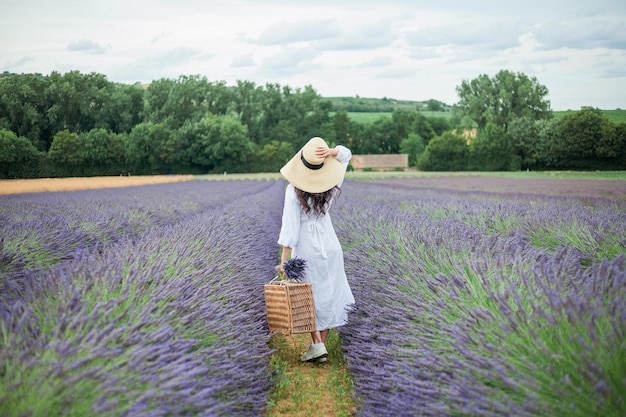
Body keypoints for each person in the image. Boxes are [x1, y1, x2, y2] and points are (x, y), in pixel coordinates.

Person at [277, 136, 355, 363]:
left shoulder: (293, 190)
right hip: (331, 246)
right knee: (328, 293)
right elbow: (346, 154)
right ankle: (318, 344)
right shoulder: (332, 184)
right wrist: (332, 152)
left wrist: (284, 260)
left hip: (307, 247)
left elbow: (290, 228)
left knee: (308, 296)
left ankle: (318, 344)